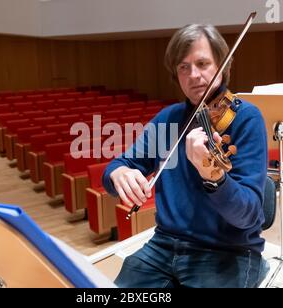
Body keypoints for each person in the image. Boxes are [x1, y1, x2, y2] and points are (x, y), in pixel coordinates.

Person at [102, 24, 270, 288]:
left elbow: (247, 216)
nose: (194, 75)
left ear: (222, 67)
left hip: (227, 251)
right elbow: (119, 165)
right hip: (164, 244)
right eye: (184, 67)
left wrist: (213, 176)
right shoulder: (168, 120)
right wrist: (119, 174)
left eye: (202, 63)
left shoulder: (245, 119)